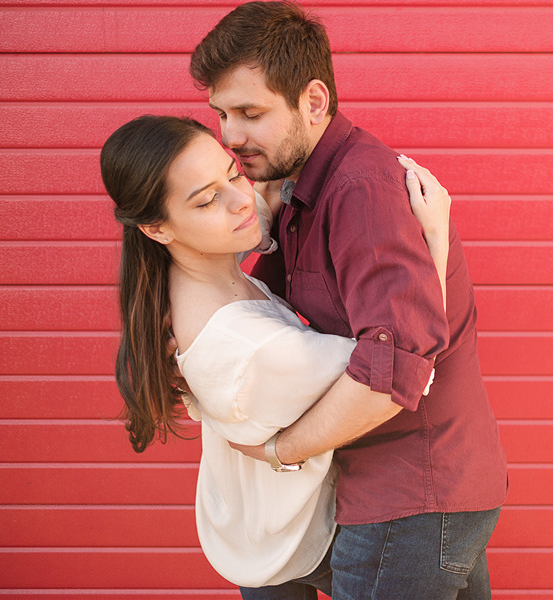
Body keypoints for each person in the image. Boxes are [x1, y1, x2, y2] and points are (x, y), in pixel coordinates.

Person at [188, 2, 509, 598]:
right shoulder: (303, 188)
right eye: (222, 114)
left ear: (313, 101)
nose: (230, 136)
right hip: (399, 490)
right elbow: (266, 313)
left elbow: (395, 371)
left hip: (411, 494)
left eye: (250, 113)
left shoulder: (359, 190)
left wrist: (278, 450)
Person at [100, 114, 451, 597]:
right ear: (157, 228)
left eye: (232, 172)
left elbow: (260, 203)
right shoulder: (252, 349)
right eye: (207, 200)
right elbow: (401, 364)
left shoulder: (196, 270)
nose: (241, 199)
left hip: (251, 520)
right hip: (289, 540)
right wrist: (435, 236)